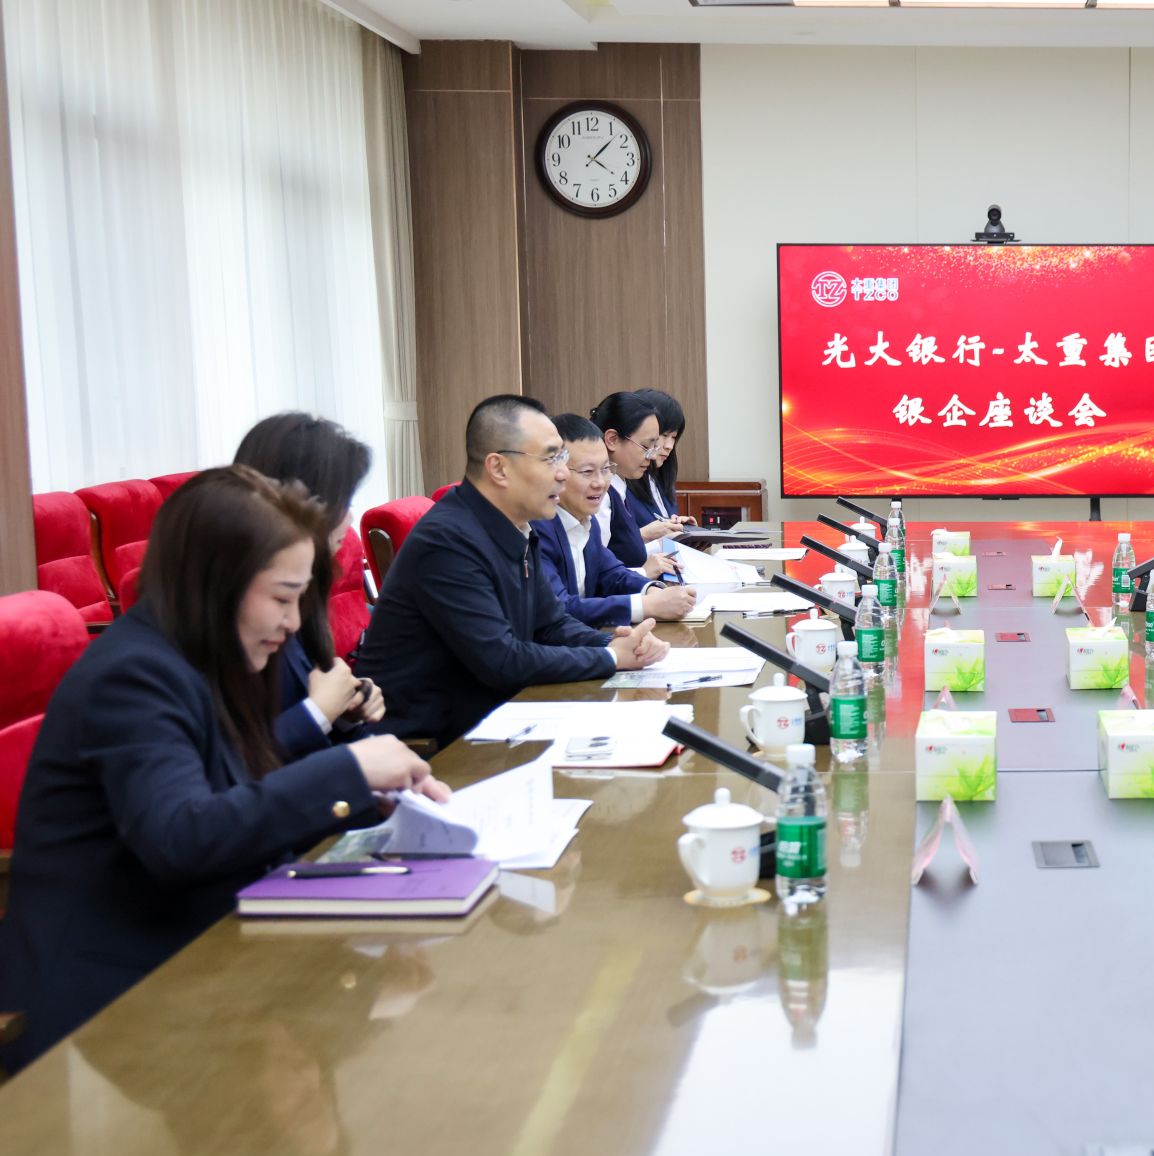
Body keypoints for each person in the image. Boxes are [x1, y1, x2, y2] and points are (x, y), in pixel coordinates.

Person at [0, 467, 447, 1068]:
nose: (294, 623)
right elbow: (182, 836)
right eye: (282, 599)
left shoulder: (214, 654)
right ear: (218, 584)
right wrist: (347, 771)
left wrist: (374, 797)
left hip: (213, 934)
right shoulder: (133, 675)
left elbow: (243, 790)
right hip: (121, 990)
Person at [356, 394, 669, 748]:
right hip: (432, 746)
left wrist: (614, 643)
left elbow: (551, 624)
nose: (562, 473)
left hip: (499, 717)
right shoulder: (448, 540)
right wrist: (610, 657)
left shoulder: (516, 526)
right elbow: (502, 660)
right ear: (499, 468)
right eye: (551, 458)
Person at [232, 413, 386, 758]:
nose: (349, 519)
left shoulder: (302, 588)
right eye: (344, 504)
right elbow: (233, 765)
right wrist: (318, 712)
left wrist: (343, 709)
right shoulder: (237, 607)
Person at [534, 412, 697, 627]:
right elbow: (560, 608)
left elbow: (612, 574)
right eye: (587, 472)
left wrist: (653, 590)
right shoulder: (537, 528)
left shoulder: (586, 520)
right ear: (557, 472)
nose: (600, 483)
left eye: (605, 469)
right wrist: (645, 606)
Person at [593, 390, 689, 561]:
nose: (653, 455)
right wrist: (646, 571)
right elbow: (600, 563)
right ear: (612, 439)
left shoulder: (620, 484)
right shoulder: (600, 491)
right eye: (646, 446)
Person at [633, 387, 691, 526]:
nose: (669, 446)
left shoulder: (662, 480)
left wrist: (681, 527)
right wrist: (646, 535)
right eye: (664, 435)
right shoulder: (617, 483)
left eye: (674, 437)